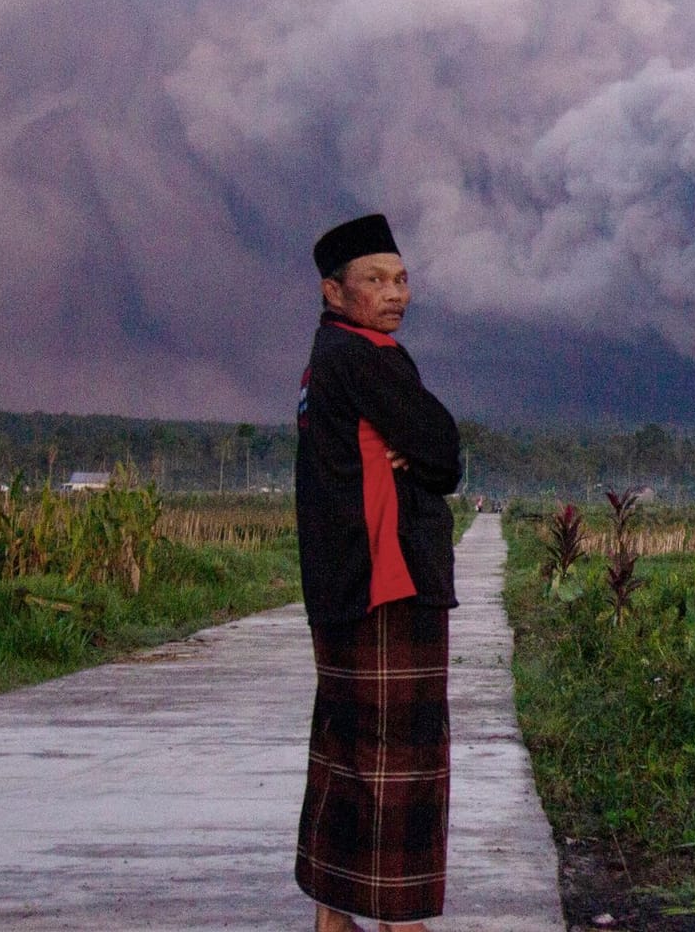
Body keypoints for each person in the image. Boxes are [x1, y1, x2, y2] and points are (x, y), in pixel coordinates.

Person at [294, 213, 462, 932]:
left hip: (342, 587)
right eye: (374, 280)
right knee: (402, 760)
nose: (395, 294)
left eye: (400, 279)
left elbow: (422, 448)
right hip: (387, 584)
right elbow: (444, 448)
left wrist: (416, 454)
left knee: (348, 751)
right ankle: (402, 921)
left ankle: (335, 917)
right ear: (335, 292)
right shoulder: (365, 356)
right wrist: (424, 455)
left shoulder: (324, 358)